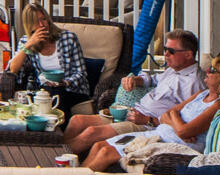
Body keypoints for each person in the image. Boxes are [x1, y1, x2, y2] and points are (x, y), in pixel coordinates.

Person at [82, 51, 220, 173]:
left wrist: (174, 119)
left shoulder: (218, 105)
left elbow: (184, 132)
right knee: (99, 145)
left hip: (172, 144)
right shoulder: (201, 94)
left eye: (213, 70)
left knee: (106, 152)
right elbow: (168, 115)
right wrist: (176, 119)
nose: (207, 71)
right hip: (158, 134)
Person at [63, 30, 205, 155]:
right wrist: (137, 80)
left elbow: (185, 121)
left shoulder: (194, 84)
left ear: (188, 55)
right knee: (78, 120)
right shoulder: (173, 70)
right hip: (131, 113)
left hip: (145, 124)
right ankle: (62, 156)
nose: (166, 54)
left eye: (171, 51)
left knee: (91, 132)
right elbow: (153, 79)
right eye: (165, 49)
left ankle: (55, 165)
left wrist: (149, 121)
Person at [4, 6, 90, 107]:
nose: (42, 25)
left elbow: (81, 73)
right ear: (29, 25)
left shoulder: (68, 38)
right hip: (44, 91)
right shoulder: (26, 42)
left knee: (54, 95)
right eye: (36, 22)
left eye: (43, 19)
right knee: (39, 98)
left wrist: (65, 83)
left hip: (72, 90)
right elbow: (13, 69)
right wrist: (28, 45)